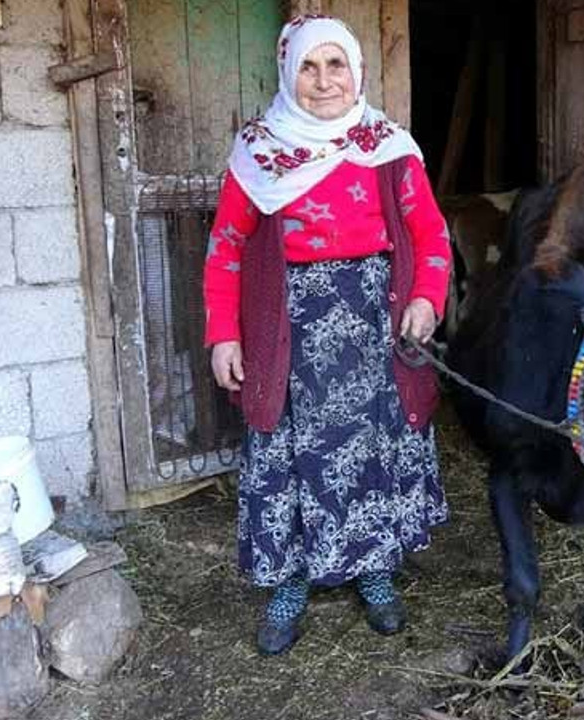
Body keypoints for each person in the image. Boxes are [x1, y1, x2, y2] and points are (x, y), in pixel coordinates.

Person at [202, 15, 451, 656]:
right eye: (308, 67)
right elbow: (226, 248)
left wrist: (425, 299)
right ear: (288, 72)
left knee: (373, 445)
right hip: (289, 329)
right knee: (286, 452)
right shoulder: (258, 151)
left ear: (357, 71)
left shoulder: (389, 148)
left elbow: (431, 238)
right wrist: (224, 334)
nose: (323, 81)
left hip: (376, 323)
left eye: (335, 65)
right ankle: (290, 581)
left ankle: (373, 570)